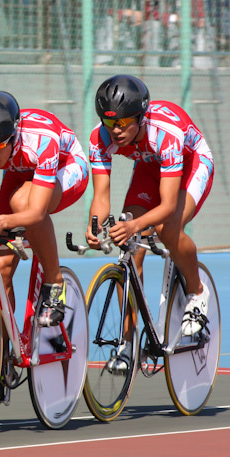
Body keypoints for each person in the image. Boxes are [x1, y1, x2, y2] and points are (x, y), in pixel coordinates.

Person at [86, 75, 214, 360]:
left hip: (191, 164)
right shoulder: (100, 137)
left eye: (122, 123)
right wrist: (94, 226)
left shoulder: (165, 133)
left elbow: (168, 206)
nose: (115, 131)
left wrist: (134, 224)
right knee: (129, 246)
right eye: (109, 123)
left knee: (167, 229)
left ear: (141, 117)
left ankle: (197, 292)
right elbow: (101, 197)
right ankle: (127, 346)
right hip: (149, 165)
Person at [0, 91, 89, 328]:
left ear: (14, 135)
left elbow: (37, 212)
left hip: (66, 167)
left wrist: (2, 222)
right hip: (18, 170)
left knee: (23, 203)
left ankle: (54, 282)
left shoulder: (41, 138)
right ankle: (4, 361)